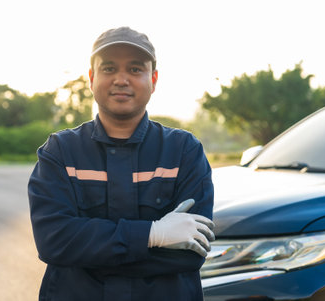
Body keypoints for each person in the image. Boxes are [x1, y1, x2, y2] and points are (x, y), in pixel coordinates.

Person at [28, 26, 215, 301]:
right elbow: (54, 241)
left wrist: (90, 253)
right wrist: (153, 235)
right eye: (109, 69)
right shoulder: (60, 152)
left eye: (136, 69)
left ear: (154, 79)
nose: (121, 79)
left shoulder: (184, 151)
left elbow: (190, 254)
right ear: (91, 78)